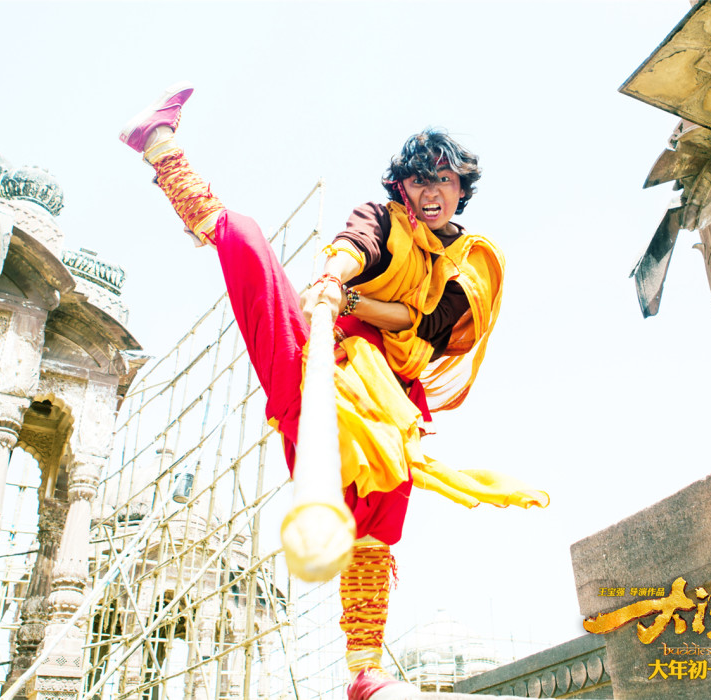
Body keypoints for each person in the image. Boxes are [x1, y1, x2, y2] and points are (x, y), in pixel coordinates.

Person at [120, 83, 549, 700]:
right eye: (419, 180)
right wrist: (330, 279)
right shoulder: (383, 218)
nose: (431, 192)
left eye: (444, 180)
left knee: (381, 507)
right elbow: (355, 246)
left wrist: (352, 301)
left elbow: (428, 325)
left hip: (388, 394)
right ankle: (159, 144)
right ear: (402, 186)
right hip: (317, 363)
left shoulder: (470, 261)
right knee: (245, 238)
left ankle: (364, 669)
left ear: (461, 188)